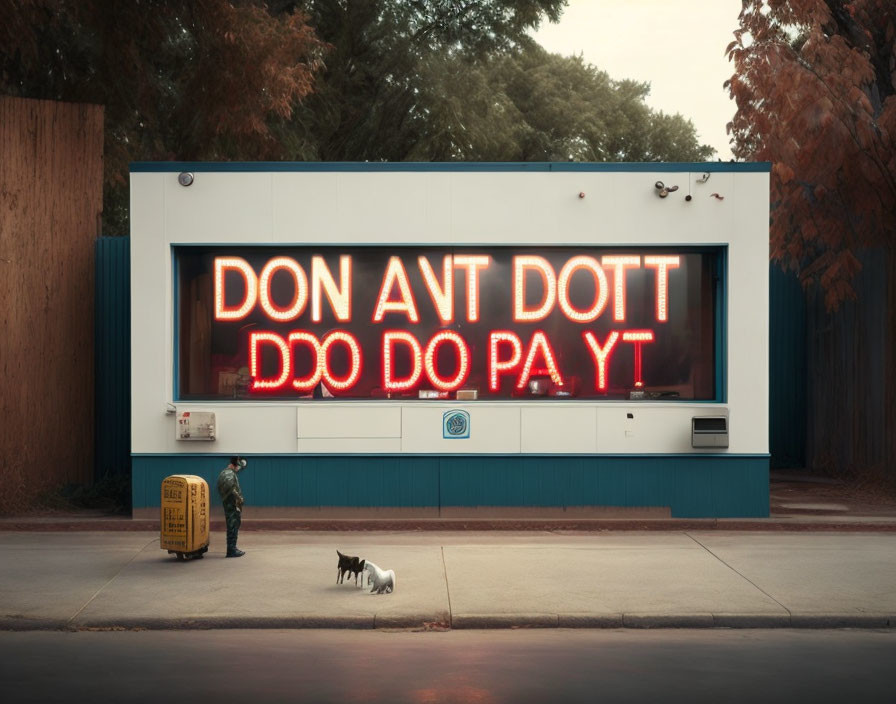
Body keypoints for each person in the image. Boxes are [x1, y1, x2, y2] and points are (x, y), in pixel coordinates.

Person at [217, 456, 247, 558]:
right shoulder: (229, 473)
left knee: (232, 525)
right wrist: (239, 498)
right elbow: (230, 487)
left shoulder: (224, 473)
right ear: (235, 465)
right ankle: (231, 550)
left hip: (229, 503)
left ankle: (232, 548)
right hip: (232, 504)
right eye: (239, 467)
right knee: (233, 525)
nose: (239, 469)